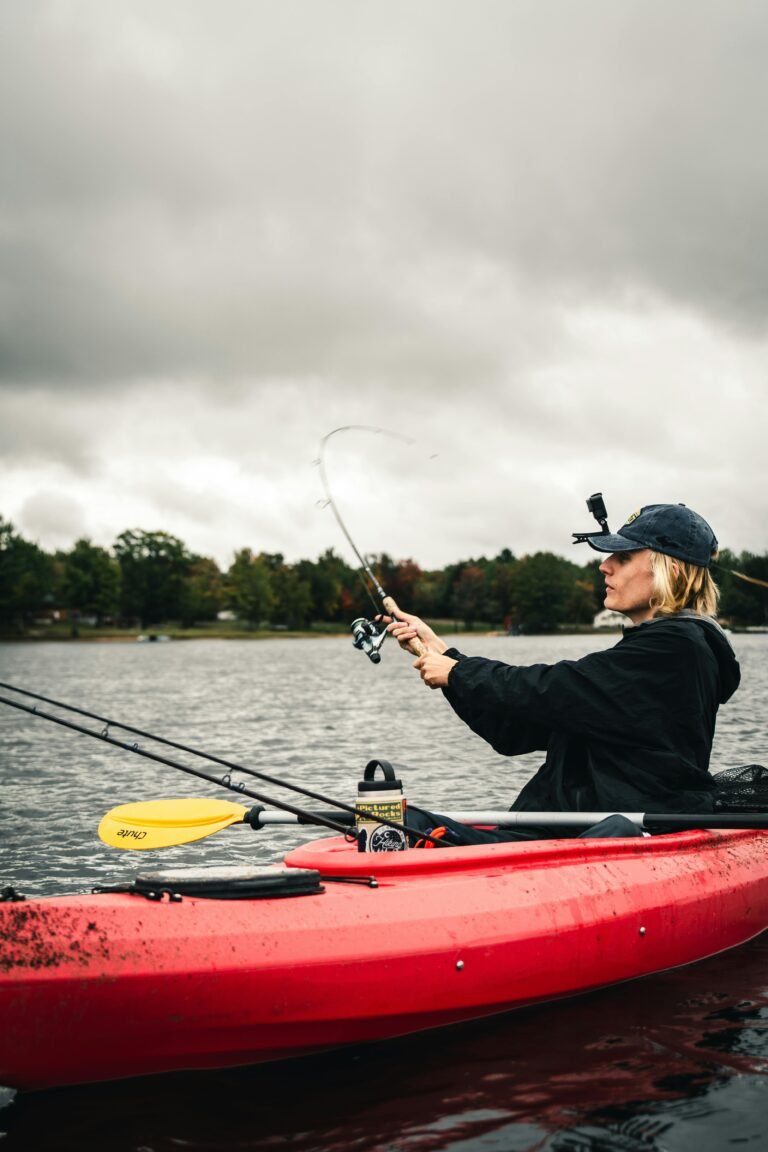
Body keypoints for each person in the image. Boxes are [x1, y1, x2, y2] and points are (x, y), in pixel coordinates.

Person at [383, 502, 741, 843]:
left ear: (671, 570)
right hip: (567, 830)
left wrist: (458, 671)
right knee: (399, 823)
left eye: (624, 557)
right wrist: (442, 653)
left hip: (608, 832)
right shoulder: (651, 654)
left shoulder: (675, 648)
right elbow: (514, 728)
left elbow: (550, 688)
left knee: (411, 826)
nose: (605, 566)